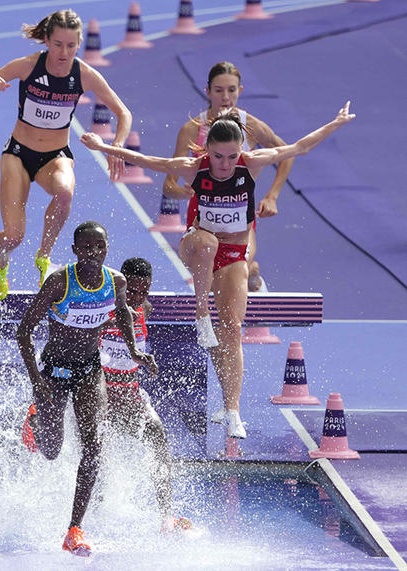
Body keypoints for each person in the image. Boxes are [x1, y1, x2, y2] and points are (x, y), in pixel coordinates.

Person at [81, 102, 355, 438]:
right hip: (196, 246)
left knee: (232, 330)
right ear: (207, 150)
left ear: (240, 150)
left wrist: (336, 122)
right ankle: (200, 314)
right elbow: (148, 161)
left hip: (234, 254)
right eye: (217, 157)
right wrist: (103, 146)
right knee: (208, 243)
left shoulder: (251, 164)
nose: (223, 165)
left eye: (230, 156)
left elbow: (298, 147)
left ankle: (231, 410)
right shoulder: (194, 168)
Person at [0, 9, 132, 300]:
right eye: (57, 45)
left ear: (79, 44)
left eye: (71, 45)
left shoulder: (84, 75)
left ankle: (44, 257)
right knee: (14, 236)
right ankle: (2, 260)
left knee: (65, 193)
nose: (63, 52)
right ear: (46, 41)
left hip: (55, 155)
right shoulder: (28, 66)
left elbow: (123, 113)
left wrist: (116, 146)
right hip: (18, 155)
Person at [17, 221, 158, 557]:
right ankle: (36, 420)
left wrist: (136, 351)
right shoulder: (59, 282)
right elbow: (24, 331)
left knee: (94, 444)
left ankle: (74, 529)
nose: (94, 252)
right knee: (52, 451)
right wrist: (37, 379)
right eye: (87, 246)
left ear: (107, 249)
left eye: (100, 246)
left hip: (90, 371)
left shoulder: (116, 281)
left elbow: (123, 313)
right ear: (75, 250)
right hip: (54, 370)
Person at [163, 61, 293, 292]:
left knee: (236, 270)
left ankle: (249, 272)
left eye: (231, 90)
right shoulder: (192, 129)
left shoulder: (251, 126)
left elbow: (286, 153)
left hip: (240, 215)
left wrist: (272, 196)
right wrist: (183, 191)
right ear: (208, 91)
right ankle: (211, 317)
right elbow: (168, 186)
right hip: (201, 217)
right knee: (213, 279)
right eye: (219, 90)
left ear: (240, 91)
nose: (225, 97)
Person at [99, 257, 190, 531]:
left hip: (129, 397)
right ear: (120, 287)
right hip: (97, 396)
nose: (137, 297)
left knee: (157, 435)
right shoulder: (104, 307)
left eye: (144, 291)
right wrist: (113, 320)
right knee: (97, 453)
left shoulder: (145, 309)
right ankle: (90, 520)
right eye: (132, 292)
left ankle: (166, 517)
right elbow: (81, 335)